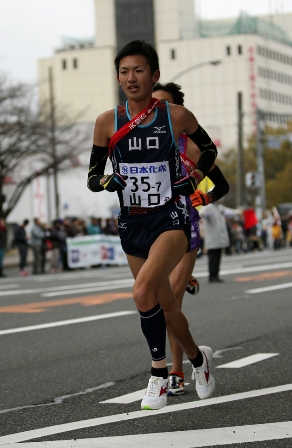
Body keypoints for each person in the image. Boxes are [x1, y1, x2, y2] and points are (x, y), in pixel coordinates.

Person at [88, 40, 221, 410]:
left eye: (139, 70)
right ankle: (199, 360)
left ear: (155, 75)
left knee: (143, 291)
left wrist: (192, 176)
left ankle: (158, 375)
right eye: (125, 71)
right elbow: (92, 176)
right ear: (118, 77)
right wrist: (106, 181)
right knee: (166, 307)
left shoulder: (175, 116)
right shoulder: (106, 122)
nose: (131, 78)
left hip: (171, 218)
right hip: (133, 224)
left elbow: (209, 150)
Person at [152, 82, 229, 395]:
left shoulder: (193, 148)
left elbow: (220, 185)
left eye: (164, 106)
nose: (157, 112)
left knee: (170, 300)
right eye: (152, 106)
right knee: (155, 301)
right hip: (153, 229)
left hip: (186, 228)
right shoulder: (141, 145)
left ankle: (176, 370)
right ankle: (198, 359)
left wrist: (203, 198)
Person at [200, 202, 231, 282]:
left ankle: (216, 275)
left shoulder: (219, 207)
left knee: (217, 257)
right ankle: (212, 275)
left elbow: (229, 212)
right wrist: (206, 213)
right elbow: (202, 213)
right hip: (212, 238)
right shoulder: (208, 207)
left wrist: (238, 211)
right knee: (213, 258)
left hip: (218, 238)